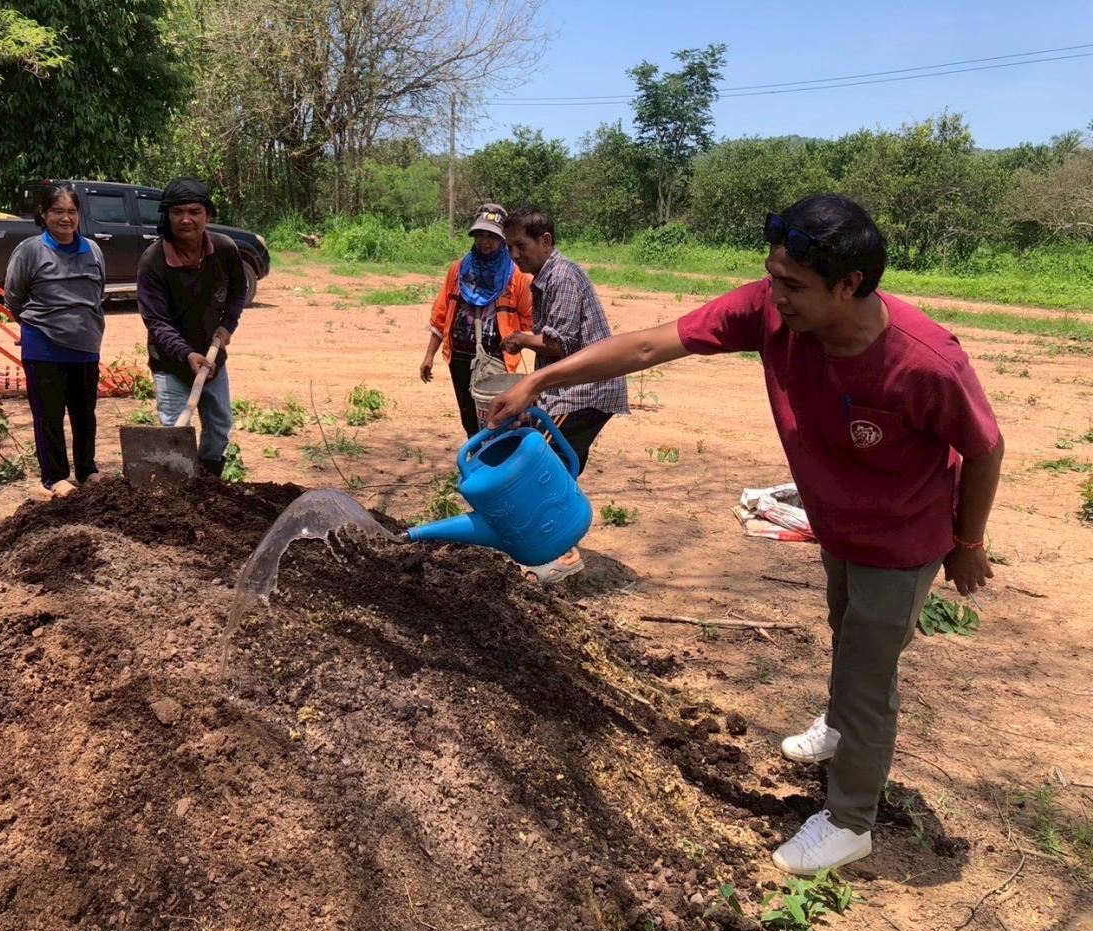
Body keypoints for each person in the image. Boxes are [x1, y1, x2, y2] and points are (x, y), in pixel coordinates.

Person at [489, 195, 1003, 875]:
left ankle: (850, 820)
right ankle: (840, 722)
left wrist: (968, 544)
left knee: (869, 674)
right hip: (838, 525)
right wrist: (544, 379)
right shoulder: (771, 310)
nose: (776, 296)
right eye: (772, 276)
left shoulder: (924, 361)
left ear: (848, 285)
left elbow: (986, 448)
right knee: (845, 628)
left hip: (903, 539)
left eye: (793, 285)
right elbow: (649, 344)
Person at [499, 205, 629, 582]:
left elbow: (560, 343)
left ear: (545, 241)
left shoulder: (563, 277)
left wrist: (521, 339)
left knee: (542, 466)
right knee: (562, 467)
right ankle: (556, 545)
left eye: (521, 246)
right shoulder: (544, 278)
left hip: (585, 390)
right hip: (579, 388)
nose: (514, 255)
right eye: (510, 247)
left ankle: (563, 553)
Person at [136, 177, 246, 477]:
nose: (186, 219)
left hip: (213, 359)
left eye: (195, 211)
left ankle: (208, 482)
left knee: (219, 426)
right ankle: (178, 489)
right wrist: (186, 354)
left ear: (207, 214)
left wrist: (227, 326)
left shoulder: (224, 249)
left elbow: (238, 290)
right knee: (174, 431)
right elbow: (156, 321)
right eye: (177, 212)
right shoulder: (153, 261)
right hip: (170, 363)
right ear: (167, 217)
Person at [3, 183, 106, 497]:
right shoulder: (30, 251)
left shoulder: (93, 250)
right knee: (49, 415)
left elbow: (97, 293)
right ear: (43, 213)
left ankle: (87, 470)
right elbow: (14, 297)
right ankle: (55, 476)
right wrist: (37, 327)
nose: (65, 218)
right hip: (43, 348)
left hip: (86, 347)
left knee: (84, 414)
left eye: (72, 211)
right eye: (58, 211)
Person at [421, 203, 533, 439]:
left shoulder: (515, 275)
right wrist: (429, 355)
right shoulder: (459, 270)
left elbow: (529, 319)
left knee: (498, 418)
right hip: (460, 355)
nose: (485, 241)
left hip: (497, 357)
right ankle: (476, 456)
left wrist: (518, 343)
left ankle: (496, 458)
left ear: (503, 239)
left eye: (491, 236)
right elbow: (441, 314)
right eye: (480, 235)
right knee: (469, 418)